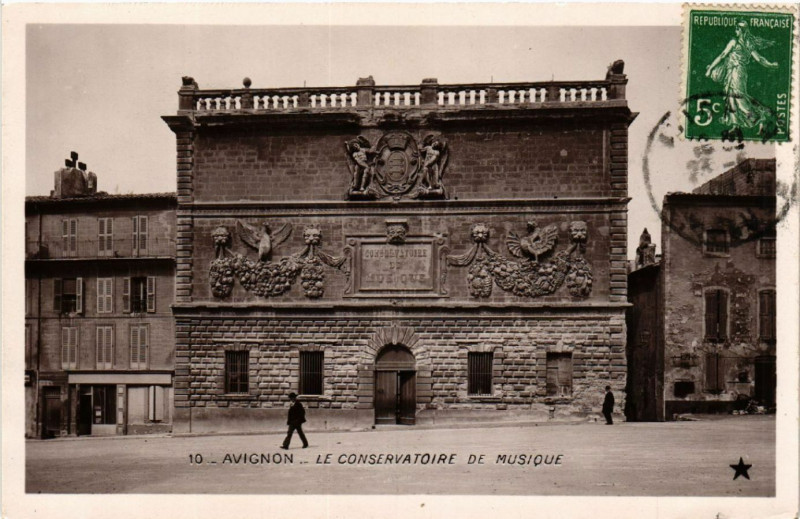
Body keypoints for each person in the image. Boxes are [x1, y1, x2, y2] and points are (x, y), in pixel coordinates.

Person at [705, 21, 779, 135]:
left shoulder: (737, 42)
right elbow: (759, 59)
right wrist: (770, 64)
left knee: (739, 98)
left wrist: (770, 65)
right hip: (732, 72)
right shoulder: (746, 43)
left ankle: (759, 117)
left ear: (742, 30)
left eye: (737, 29)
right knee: (731, 97)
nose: (736, 31)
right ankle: (735, 125)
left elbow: (723, 55)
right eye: (736, 29)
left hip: (738, 72)